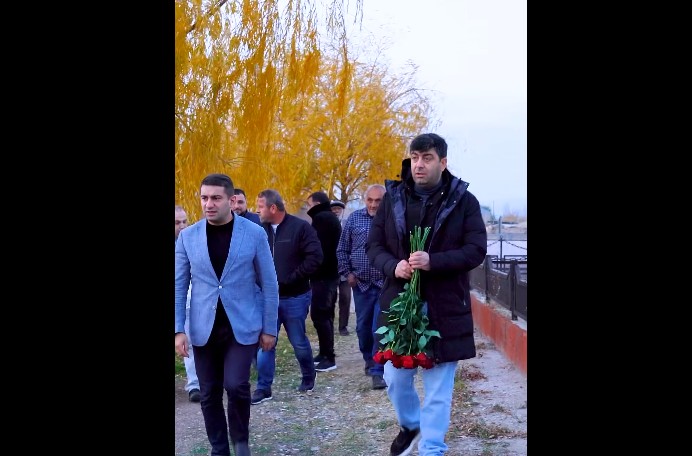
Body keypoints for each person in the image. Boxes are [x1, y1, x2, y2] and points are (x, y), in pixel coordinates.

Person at [366, 133, 487, 456]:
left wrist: (435, 261)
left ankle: (432, 448)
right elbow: (373, 246)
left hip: (445, 306)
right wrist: (394, 266)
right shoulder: (393, 198)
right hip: (399, 305)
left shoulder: (464, 201)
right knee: (394, 378)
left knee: (438, 388)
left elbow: (476, 250)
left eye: (427, 158)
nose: (419, 164)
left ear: (442, 162)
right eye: (415, 157)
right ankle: (410, 424)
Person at [175, 173, 279, 456]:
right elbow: (178, 286)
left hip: (242, 326)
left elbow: (269, 284)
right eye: (204, 198)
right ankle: (219, 449)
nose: (209, 204)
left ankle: (240, 442)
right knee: (208, 392)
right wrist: (178, 329)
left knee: (236, 385)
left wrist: (269, 328)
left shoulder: (254, 233)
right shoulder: (188, 237)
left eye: (216, 198)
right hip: (203, 327)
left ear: (231, 201)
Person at [251, 189, 323, 405]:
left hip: (295, 297)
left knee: (298, 341)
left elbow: (315, 257)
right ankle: (263, 388)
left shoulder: (300, 228)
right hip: (267, 300)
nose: (257, 211)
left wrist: (291, 278)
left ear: (273, 208)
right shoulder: (257, 231)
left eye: (260, 207)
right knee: (265, 343)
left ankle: (308, 376)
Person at [335, 185, 388, 390]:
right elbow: (342, 249)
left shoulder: (391, 220)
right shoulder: (354, 219)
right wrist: (347, 273)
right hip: (361, 284)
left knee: (379, 328)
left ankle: (378, 369)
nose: (373, 205)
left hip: (385, 284)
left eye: (378, 201)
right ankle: (368, 359)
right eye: (370, 200)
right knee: (363, 327)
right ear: (365, 200)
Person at [305, 191, 342, 372]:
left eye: (309, 204)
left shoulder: (322, 219)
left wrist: (311, 269)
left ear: (317, 204)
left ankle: (329, 357)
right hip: (329, 274)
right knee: (325, 315)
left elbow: (320, 250)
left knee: (321, 315)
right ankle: (324, 353)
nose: (308, 208)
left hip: (323, 275)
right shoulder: (329, 217)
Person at [175, 205, 201, 403]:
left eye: (184, 221)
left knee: (190, 343)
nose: (182, 226)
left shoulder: (193, 242)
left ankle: (195, 384)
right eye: (177, 222)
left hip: (188, 300)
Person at [330, 200, 351, 336]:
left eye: (338, 209)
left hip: (345, 269)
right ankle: (329, 325)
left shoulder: (347, 224)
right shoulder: (326, 225)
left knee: (345, 298)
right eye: (334, 209)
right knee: (330, 299)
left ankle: (343, 327)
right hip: (331, 269)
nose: (336, 211)